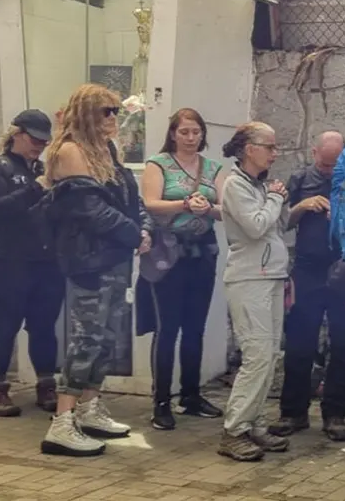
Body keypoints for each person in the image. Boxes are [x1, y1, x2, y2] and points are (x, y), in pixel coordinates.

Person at [40, 84, 153, 456]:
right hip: (88, 259)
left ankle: (89, 408)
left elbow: (129, 198)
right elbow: (90, 211)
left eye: (116, 111)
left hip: (115, 255)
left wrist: (143, 229)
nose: (114, 118)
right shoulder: (70, 151)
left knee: (107, 336)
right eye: (107, 111)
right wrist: (135, 233)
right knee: (86, 338)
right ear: (87, 113)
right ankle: (62, 421)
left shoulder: (106, 149)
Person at [270, 131, 345, 443]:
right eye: (325, 164)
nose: (329, 170)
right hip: (308, 269)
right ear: (314, 154)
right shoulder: (300, 179)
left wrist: (343, 217)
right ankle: (293, 412)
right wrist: (302, 205)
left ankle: (336, 413)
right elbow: (281, 222)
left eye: (335, 164)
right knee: (299, 342)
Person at [139, 108, 225, 430]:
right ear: (173, 134)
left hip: (202, 252)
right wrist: (185, 204)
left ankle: (191, 395)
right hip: (169, 251)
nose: (190, 138)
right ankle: (161, 400)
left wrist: (208, 208)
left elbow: (226, 209)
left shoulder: (213, 168)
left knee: (195, 327)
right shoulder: (158, 164)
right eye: (184, 132)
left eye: (196, 132)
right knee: (167, 328)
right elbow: (150, 202)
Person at [0, 109, 63, 417]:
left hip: (45, 261)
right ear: (17, 135)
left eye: (44, 141)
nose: (39, 146)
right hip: (7, 261)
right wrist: (35, 188)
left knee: (44, 326)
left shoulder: (41, 169)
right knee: (5, 325)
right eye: (34, 139)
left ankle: (46, 384)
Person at [217, 122, 292, 462]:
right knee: (257, 355)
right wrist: (275, 197)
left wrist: (280, 200)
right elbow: (256, 226)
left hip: (270, 275)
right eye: (270, 147)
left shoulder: (258, 185)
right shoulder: (235, 184)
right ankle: (234, 430)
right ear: (250, 149)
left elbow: (279, 225)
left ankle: (254, 423)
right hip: (249, 278)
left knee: (269, 355)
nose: (275, 154)